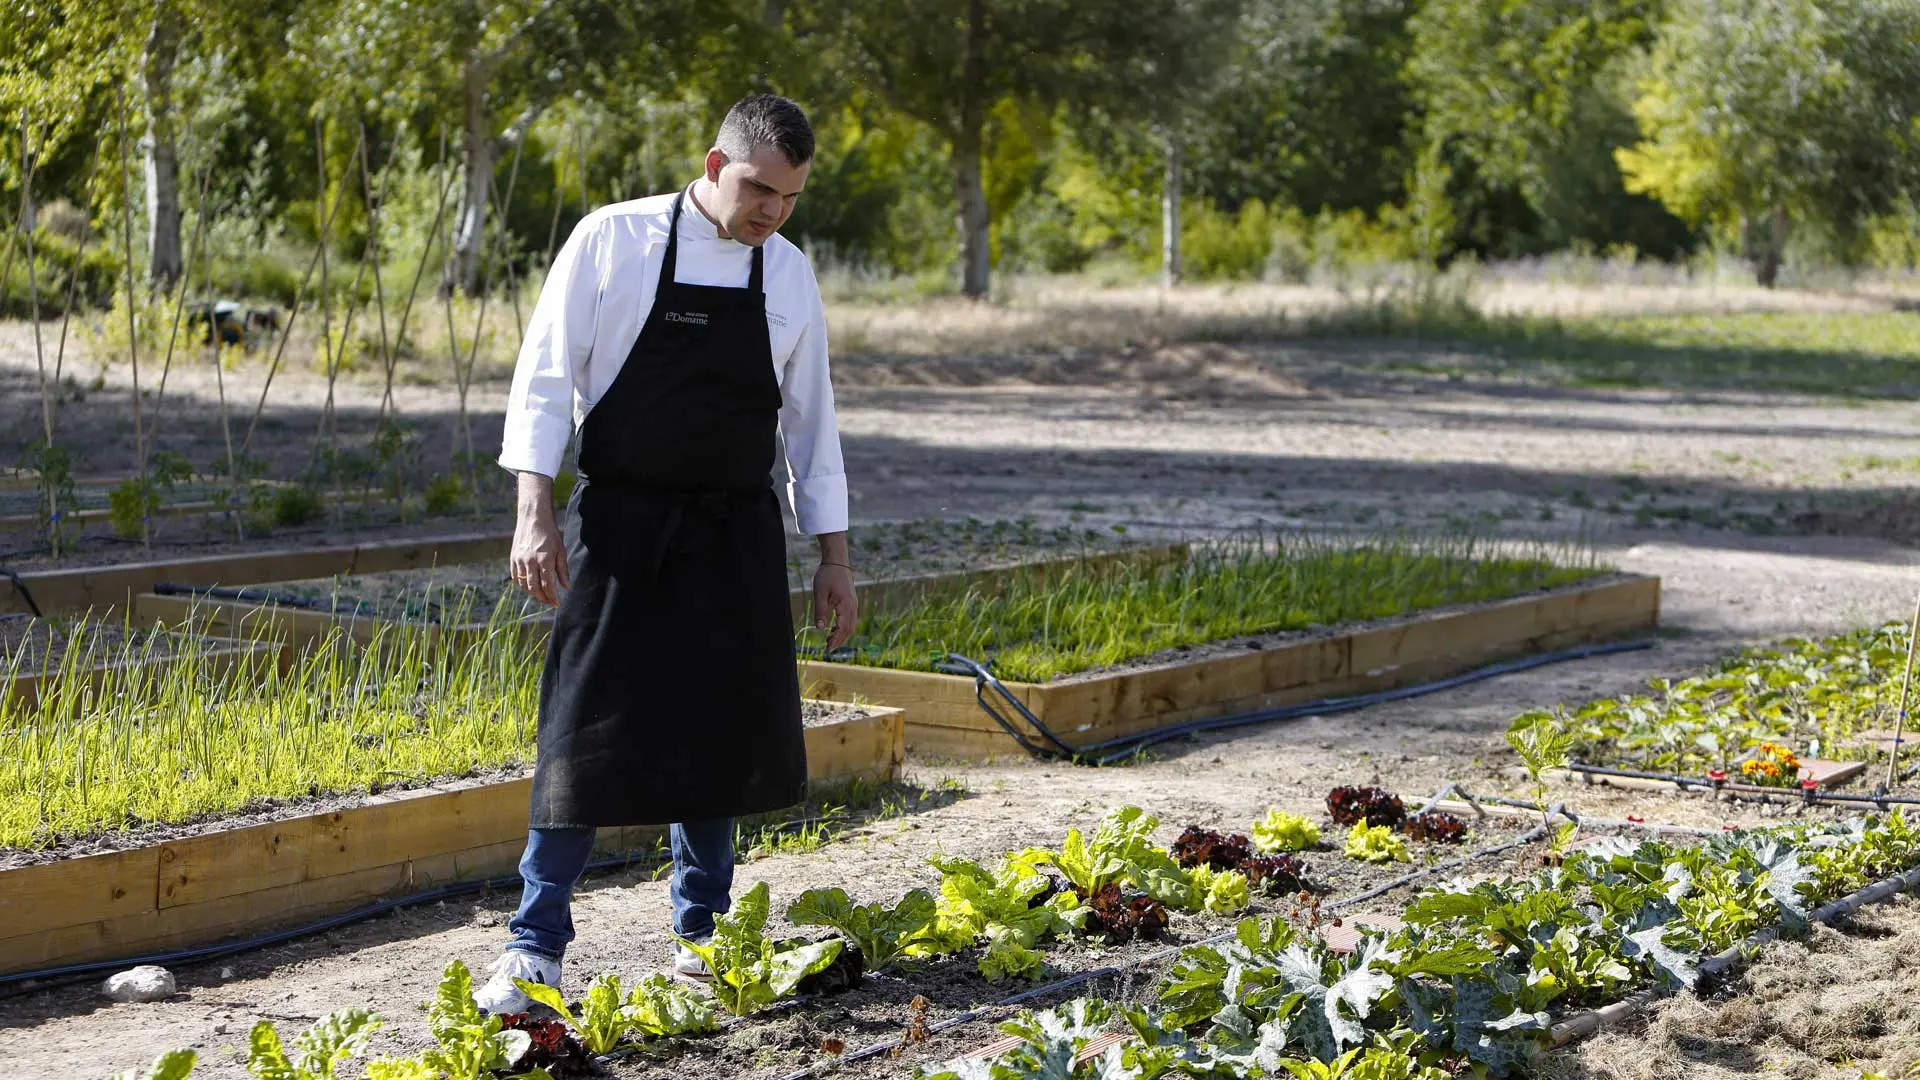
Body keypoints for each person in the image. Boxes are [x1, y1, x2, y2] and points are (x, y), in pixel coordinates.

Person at [476, 93, 857, 1014]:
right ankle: (536, 947)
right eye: (762, 189)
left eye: (791, 198)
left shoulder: (791, 275)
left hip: (735, 530)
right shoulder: (612, 240)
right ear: (718, 166)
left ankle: (703, 936)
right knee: (580, 728)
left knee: (719, 733)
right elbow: (545, 377)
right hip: (623, 524)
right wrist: (535, 511)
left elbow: (813, 425)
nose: (773, 212)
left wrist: (834, 557)